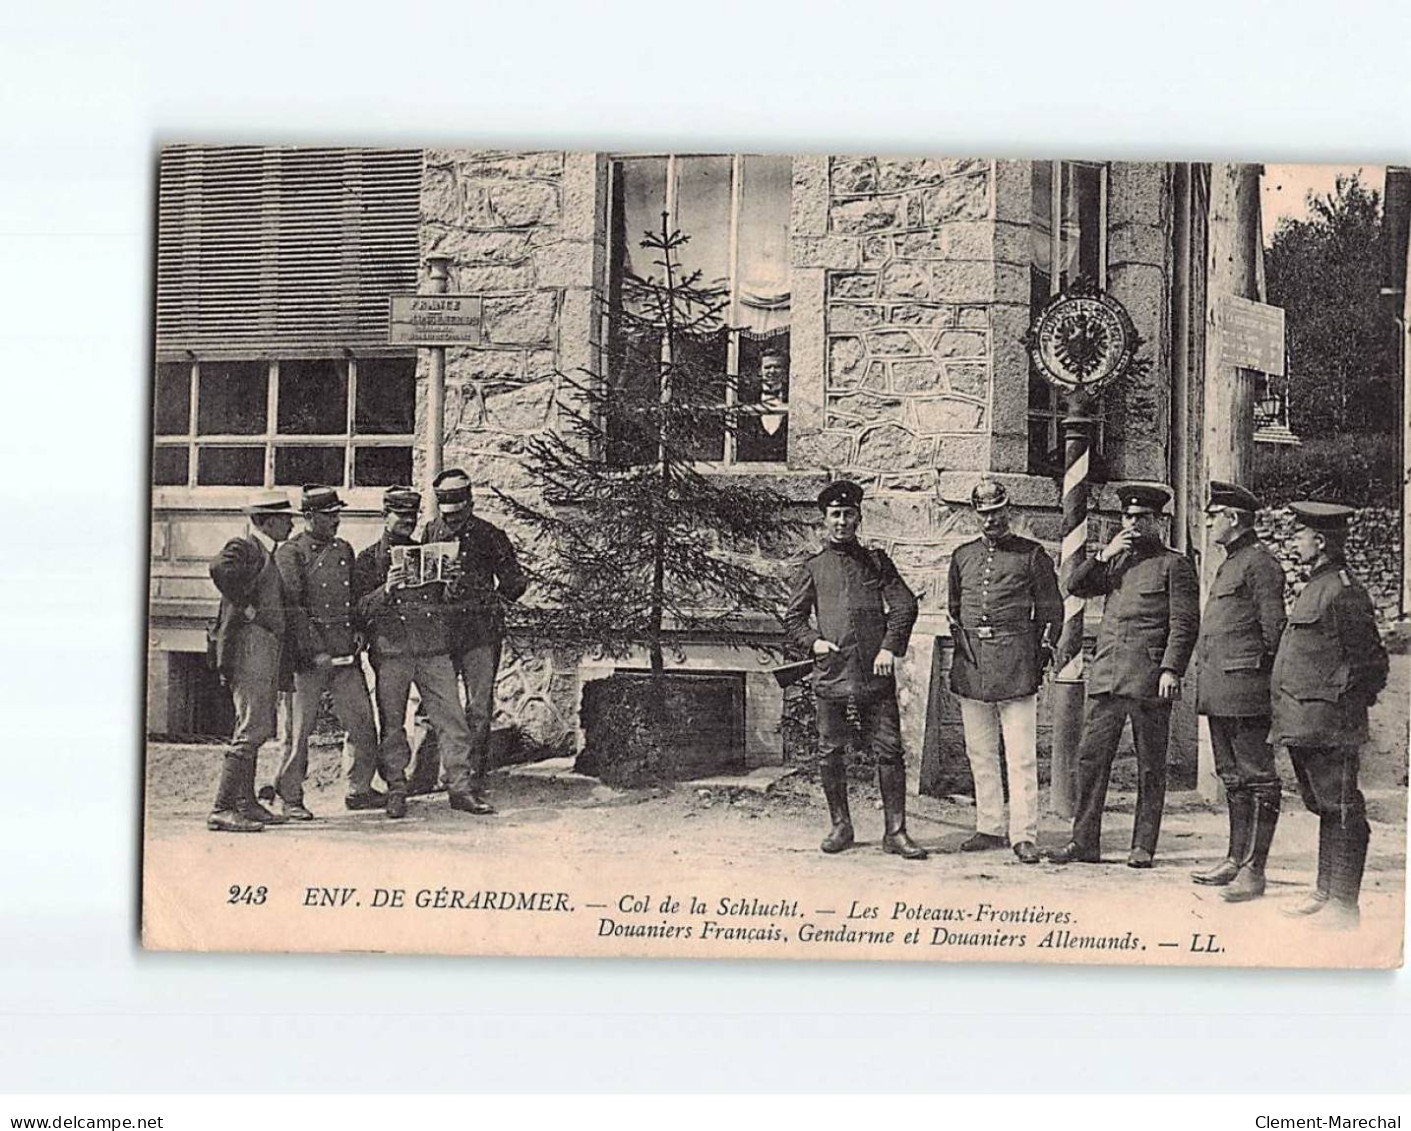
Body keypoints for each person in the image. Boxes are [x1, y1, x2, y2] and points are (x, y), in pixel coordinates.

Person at [1048, 483, 1200, 868]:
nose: (1131, 524)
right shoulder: (1117, 560)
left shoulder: (1174, 564)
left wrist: (1171, 668)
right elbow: (1075, 585)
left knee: (1150, 765)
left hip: (1150, 679)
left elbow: (1184, 623)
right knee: (1090, 760)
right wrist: (1103, 553)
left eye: (1140, 518)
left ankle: (1143, 846)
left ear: (1158, 521)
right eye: (1126, 517)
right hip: (1109, 676)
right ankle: (1084, 843)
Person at [782, 480, 926, 860]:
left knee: (890, 751)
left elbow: (905, 606)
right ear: (824, 521)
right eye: (835, 515)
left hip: (874, 676)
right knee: (831, 751)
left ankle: (895, 832)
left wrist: (889, 648)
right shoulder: (813, 567)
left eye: (848, 514)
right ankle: (840, 825)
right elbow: (793, 618)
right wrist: (813, 642)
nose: (842, 521)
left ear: (859, 518)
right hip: (832, 675)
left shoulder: (877, 562)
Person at [1270, 501, 1388, 930]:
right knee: (1324, 806)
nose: (1293, 540)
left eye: (1299, 534)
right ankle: (1324, 892)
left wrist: (1345, 710)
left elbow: (1370, 663)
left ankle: (1344, 904)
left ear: (1319, 542)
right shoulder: (1317, 585)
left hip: (1330, 723)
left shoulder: (1343, 589)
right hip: (1306, 720)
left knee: (1343, 809)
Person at [947, 480, 1063, 864]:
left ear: (1008, 511)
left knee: (1021, 756)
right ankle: (989, 825)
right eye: (984, 513)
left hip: (1016, 663)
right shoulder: (962, 556)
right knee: (979, 752)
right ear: (975, 514)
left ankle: (1024, 833)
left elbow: (1051, 611)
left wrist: (1039, 658)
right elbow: (954, 610)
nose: (991, 519)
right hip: (973, 665)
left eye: (997, 511)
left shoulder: (1031, 556)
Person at [352, 486, 483, 819]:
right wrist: (387, 588)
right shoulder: (368, 559)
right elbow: (359, 611)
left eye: (412, 517)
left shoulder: (428, 552)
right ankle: (396, 787)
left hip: (431, 649)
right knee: (393, 725)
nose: (407, 523)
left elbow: (445, 602)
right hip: (392, 652)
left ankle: (460, 787)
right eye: (401, 517)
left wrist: (450, 582)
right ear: (386, 516)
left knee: (452, 718)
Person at [1190, 481, 1288, 901]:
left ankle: (1255, 870)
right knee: (1232, 779)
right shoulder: (1232, 561)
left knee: (1259, 779)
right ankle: (1234, 859)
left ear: (1233, 519)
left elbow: (1274, 634)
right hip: (1222, 689)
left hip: (1246, 691)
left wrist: (1259, 683)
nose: (1209, 521)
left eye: (1215, 516)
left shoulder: (1259, 563)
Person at [415, 468, 528, 814]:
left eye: (460, 512)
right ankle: (428, 773)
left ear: (470, 503)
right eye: (448, 513)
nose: (454, 521)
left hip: (480, 632)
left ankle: (471, 779)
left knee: (478, 708)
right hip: (442, 634)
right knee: (436, 706)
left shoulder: (490, 535)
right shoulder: (430, 532)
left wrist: (490, 600)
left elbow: (515, 582)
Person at [272, 485, 383, 819]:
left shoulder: (344, 549)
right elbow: (294, 608)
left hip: (345, 653)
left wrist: (359, 630)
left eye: (338, 515)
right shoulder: (291, 553)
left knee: (362, 724)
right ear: (309, 517)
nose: (336, 521)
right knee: (298, 731)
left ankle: (359, 789)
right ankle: (289, 797)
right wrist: (315, 649)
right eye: (329, 516)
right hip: (309, 657)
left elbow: (352, 601)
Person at [206, 493, 295, 833]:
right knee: (252, 726)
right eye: (285, 519)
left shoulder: (266, 553)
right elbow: (219, 568)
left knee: (256, 723)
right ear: (267, 521)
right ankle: (223, 807)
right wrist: (246, 607)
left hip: (264, 647)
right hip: (249, 646)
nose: (290, 524)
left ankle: (245, 802)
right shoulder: (245, 546)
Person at [736, 348, 789, 463]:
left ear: (784, 371)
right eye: (767, 367)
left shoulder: (792, 399)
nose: (772, 371)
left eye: (777, 367)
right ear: (759, 371)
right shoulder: (748, 399)